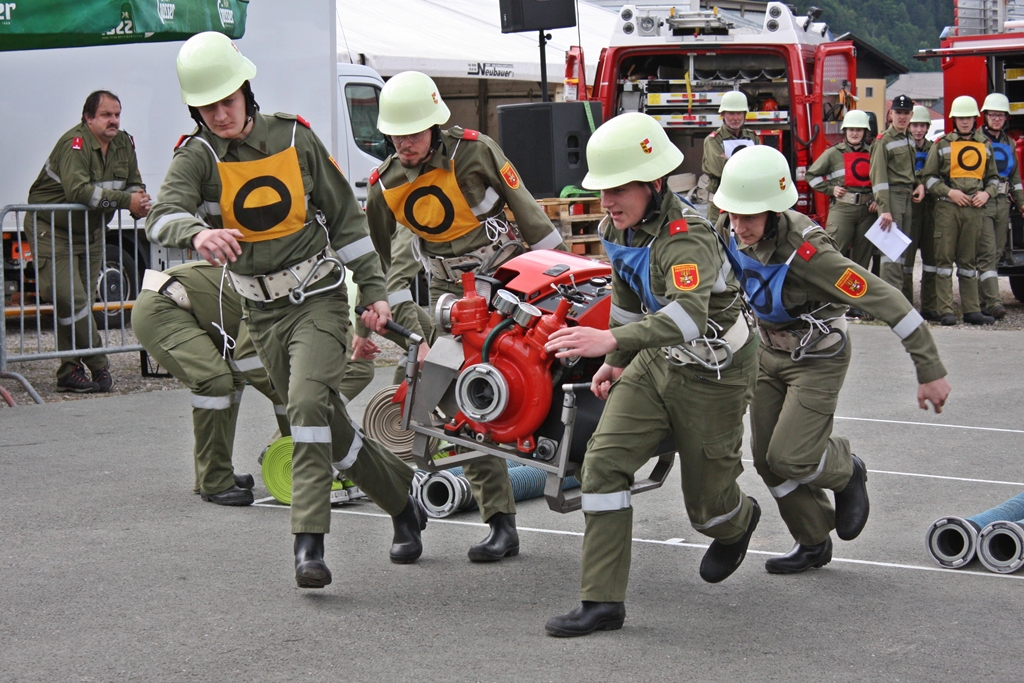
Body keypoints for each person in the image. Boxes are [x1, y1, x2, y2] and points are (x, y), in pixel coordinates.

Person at [147, 32, 426, 589]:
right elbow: (161, 214)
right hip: (259, 315)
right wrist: (196, 233)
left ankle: (308, 542)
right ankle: (402, 504)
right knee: (328, 425)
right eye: (207, 107)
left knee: (304, 407)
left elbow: (346, 221)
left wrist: (373, 290)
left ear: (246, 91)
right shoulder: (197, 154)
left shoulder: (294, 137)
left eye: (227, 100)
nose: (220, 114)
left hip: (318, 300)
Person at [542, 112, 761, 637]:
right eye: (603, 189)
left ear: (653, 183)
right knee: (602, 465)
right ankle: (601, 601)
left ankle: (737, 521)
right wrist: (616, 360)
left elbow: (689, 317)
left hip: (715, 371)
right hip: (655, 360)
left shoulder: (687, 237)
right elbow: (625, 299)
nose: (607, 201)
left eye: (619, 189)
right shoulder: (613, 227)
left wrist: (609, 343)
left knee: (706, 509)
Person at [715, 145, 951, 574]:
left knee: (792, 457)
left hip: (817, 355)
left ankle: (846, 469)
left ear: (774, 210)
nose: (738, 225)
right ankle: (812, 540)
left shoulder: (810, 254)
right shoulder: (726, 230)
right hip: (765, 351)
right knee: (766, 460)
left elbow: (888, 300)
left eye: (749, 216)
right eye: (732, 213)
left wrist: (929, 369)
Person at [361, 70, 565, 563]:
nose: (405, 143)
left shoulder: (475, 151)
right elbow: (380, 262)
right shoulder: (384, 183)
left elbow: (529, 214)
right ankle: (494, 523)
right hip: (449, 296)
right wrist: (379, 325)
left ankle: (559, 463)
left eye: (414, 132)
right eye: (396, 134)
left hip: (508, 279)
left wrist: (561, 282)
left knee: (529, 383)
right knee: (451, 401)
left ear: (434, 124)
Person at [25, 90, 151, 393]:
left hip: (91, 232)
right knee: (71, 298)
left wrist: (138, 200)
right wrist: (126, 201)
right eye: (106, 115)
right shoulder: (75, 144)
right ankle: (99, 363)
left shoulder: (123, 142)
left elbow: (133, 182)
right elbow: (79, 192)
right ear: (88, 118)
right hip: (52, 230)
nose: (114, 121)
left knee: (78, 303)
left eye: (117, 114)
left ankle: (69, 371)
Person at [922, 95, 1001, 326]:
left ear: (975, 119)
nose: (964, 121)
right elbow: (928, 178)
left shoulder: (985, 145)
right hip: (948, 208)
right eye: (960, 118)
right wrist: (949, 192)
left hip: (974, 209)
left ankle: (972, 310)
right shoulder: (941, 144)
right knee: (944, 260)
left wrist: (987, 194)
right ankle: (945, 310)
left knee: (968, 262)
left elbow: (994, 178)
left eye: (968, 117)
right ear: (954, 119)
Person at [806, 109, 877, 317]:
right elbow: (811, 175)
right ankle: (825, 302)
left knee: (861, 260)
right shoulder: (833, 153)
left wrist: (877, 199)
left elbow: (881, 179)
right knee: (832, 255)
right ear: (844, 131)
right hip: (842, 209)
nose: (855, 133)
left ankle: (856, 304)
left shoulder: (873, 153)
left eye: (859, 130)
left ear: (865, 132)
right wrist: (830, 189)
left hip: (867, 211)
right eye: (851, 129)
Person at [978, 93, 1024, 320]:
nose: (997, 119)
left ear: (1006, 118)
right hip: (983, 202)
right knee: (986, 251)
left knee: (996, 252)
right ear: (985, 116)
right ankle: (992, 302)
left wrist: (1021, 203)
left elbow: (1014, 178)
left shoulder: (1008, 143)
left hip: (1003, 202)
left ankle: (983, 299)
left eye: (1001, 115)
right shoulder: (976, 140)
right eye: (993, 115)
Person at [869, 94, 918, 297]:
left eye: (906, 113)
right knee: (891, 254)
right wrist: (885, 209)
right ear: (891, 114)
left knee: (901, 252)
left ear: (911, 115)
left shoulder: (909, 138)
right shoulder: (883, 141)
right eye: (898, 112)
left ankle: (901, 299)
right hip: (892, 199)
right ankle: (891, 302)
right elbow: (878, 176)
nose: (902, 117)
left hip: (907, 198)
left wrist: (918, 185)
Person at [701, 90, 761, 225]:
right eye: (731, 113)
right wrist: (749, 164)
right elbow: (721, 169)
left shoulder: (752, 137)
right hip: (720, 202)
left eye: (739, 113)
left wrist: (730, 160)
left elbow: (762, 166)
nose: (735, 118)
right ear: (722, 115)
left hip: (748, 201)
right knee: (719, 236)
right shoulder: (713, 140)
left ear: (745, 115)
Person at [907, 105, 940, 319]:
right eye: (915, 125)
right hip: (909, 207)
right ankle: (906, 306)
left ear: (928, 127)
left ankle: (929, 306)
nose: (918, 130)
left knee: (931, 259)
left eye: (922, 125)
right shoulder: (903, 148)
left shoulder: (934, 148)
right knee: (905, 260)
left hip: (931, 208)